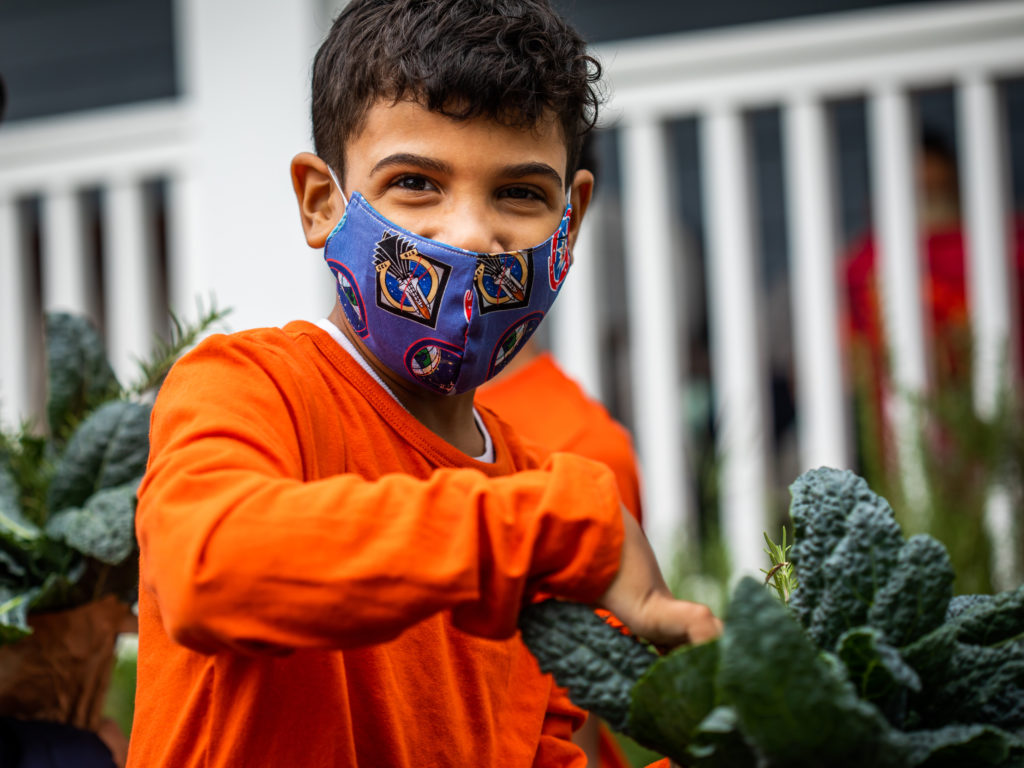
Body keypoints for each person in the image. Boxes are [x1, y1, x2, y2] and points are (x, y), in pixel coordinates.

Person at [127, 2, 721, 766]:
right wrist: (544, 527)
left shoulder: (537, 490)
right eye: (415, 182)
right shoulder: (248, 387)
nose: (471, 233)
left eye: (519, 194)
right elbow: (208, 572)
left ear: (569, 217)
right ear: (320, 202)